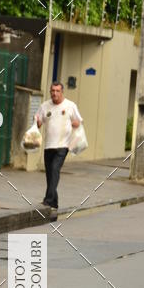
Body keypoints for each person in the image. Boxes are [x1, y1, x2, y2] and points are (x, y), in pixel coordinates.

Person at [35, 81, 82, 209]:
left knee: (55, 169)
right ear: (50, 92)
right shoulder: (45, 106)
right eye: (53, 91)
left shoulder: (70, 105)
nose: (55, 93)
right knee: (50, 173)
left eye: (57, 91)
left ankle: (48, 200)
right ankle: (54, 202)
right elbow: (38, 123)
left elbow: (78, 121)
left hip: (63, 145)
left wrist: (75, 124)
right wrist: (37, 121)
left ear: (62, 92)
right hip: (49, 145)